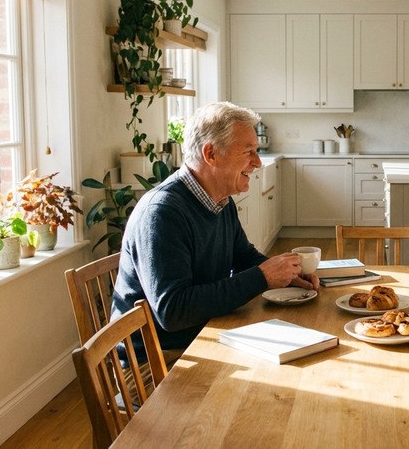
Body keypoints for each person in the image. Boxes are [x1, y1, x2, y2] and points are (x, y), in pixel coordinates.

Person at [111, 102, 318, 361]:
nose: (257, 162)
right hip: (159, 361)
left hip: (204, 335)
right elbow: (173, 311)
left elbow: (244, 257)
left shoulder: (219, 199)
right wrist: (262, 277)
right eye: (248, 151)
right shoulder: (162, 212)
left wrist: (290, 276)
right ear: (211, 154)